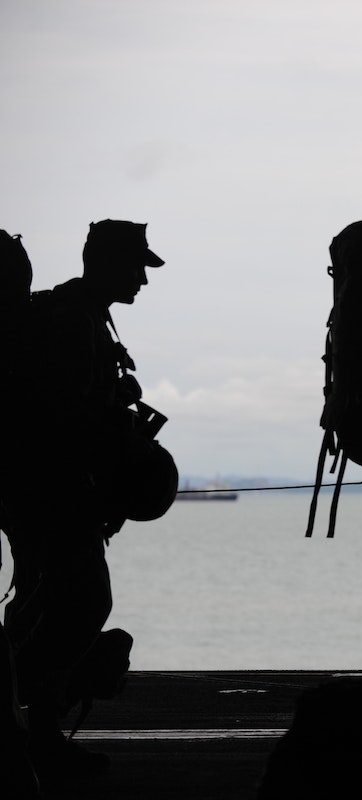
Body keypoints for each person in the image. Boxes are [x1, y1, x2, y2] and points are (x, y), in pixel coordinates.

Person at [1, 220, 164, 782]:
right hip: (54, 491)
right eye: (136, 265)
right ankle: (39, 734)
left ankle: (31, 732)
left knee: (43, 606)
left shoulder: (84, 316)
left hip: (48, 491)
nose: (143, 277)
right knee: (83, 604)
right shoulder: (74, 322)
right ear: (106, 263)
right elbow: (63, 419)